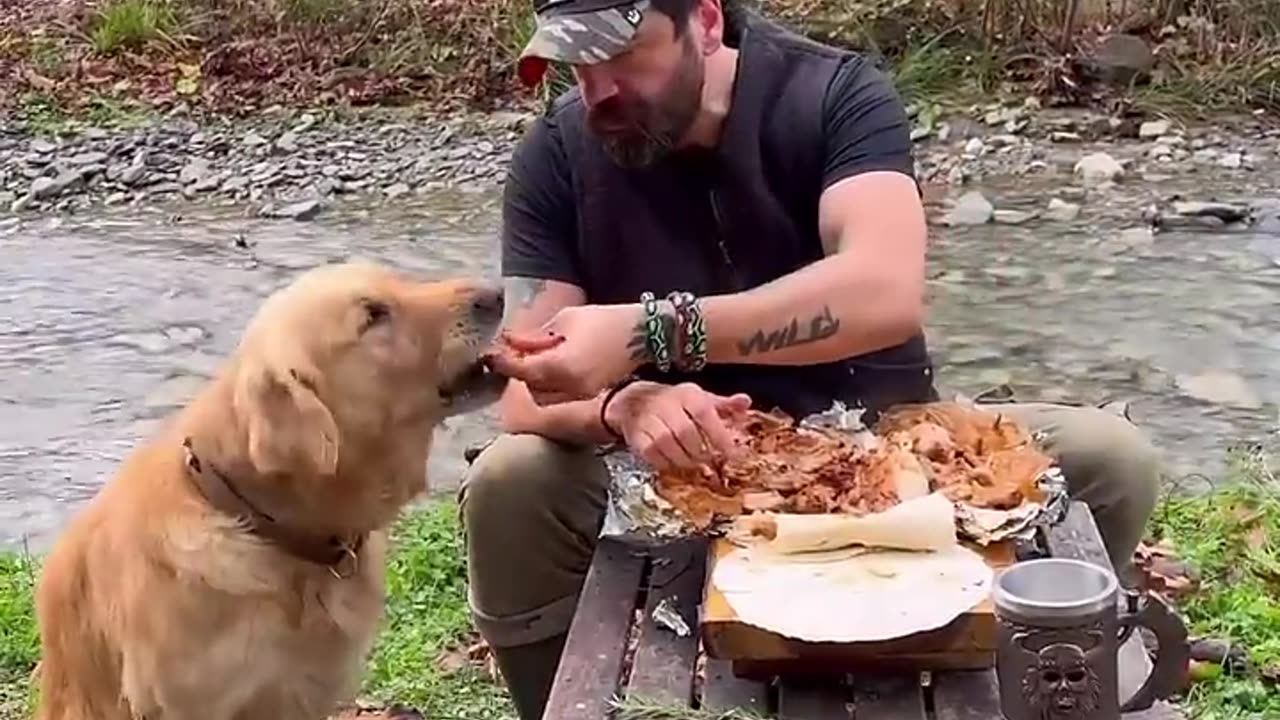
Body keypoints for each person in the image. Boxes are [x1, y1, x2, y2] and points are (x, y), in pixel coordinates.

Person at [461, 1, 1163, 718]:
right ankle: (559, 702)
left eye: (624, 55)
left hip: (876, 445)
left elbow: (884, 292)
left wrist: (654, 334)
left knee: (1110, 458)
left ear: (703, 22)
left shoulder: (834, 96)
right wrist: (624, 403)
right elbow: (523, 387)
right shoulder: (555, 154)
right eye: (578, 64)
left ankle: (1021, 670)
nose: (599, 90)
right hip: (678, 470)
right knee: (509, 483)